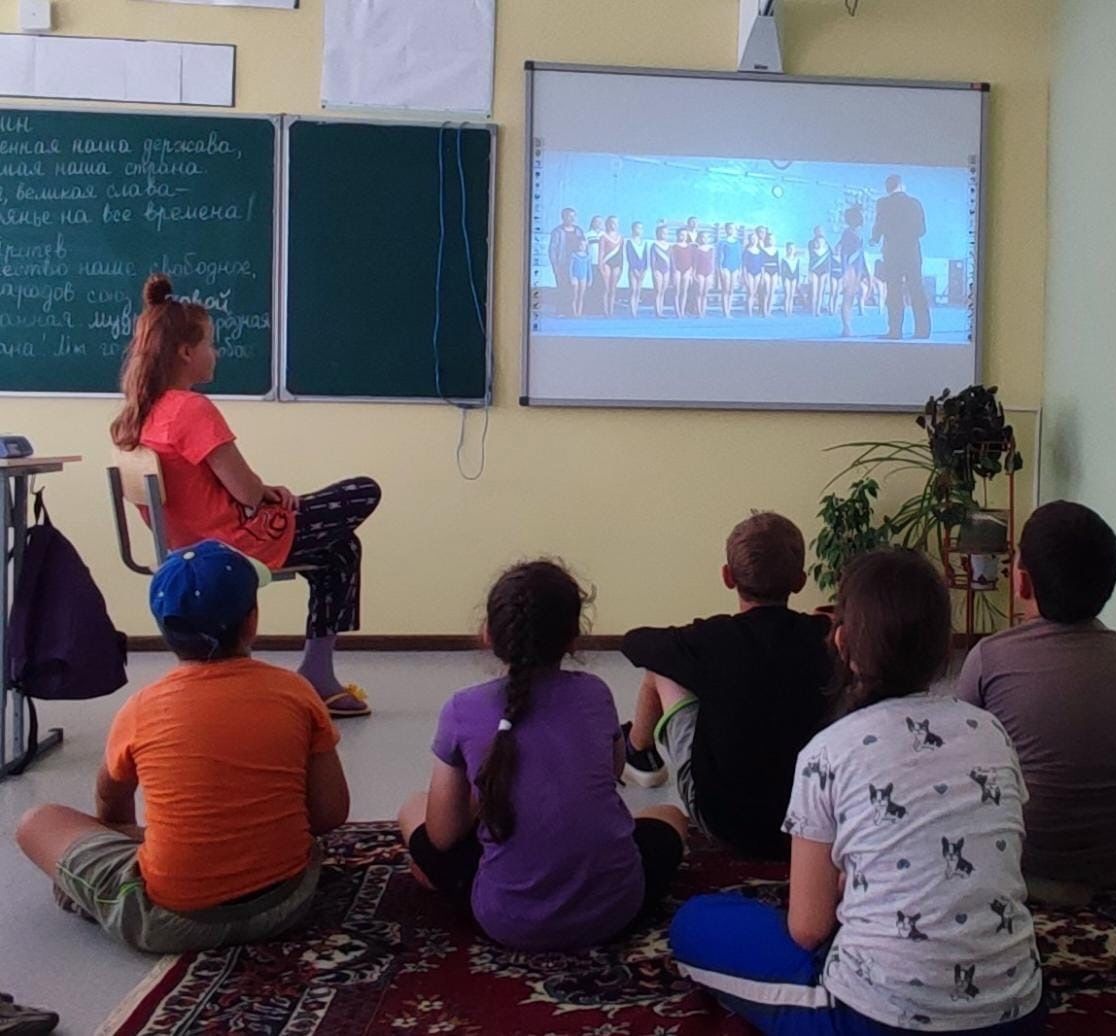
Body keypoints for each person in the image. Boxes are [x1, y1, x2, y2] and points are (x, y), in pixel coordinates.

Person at [670, 549, 1046, 1035]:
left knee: (696, 921)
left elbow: (808, 929)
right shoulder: (991, 730)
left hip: (870, 1020)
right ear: (945, 647)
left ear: (842, 641)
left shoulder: (828, 751)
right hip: (1017, 1016)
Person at [16, 541, 349, 954]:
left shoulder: (141, 708)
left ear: (163, 630)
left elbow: (110, 796)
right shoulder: (296, 691)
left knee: (37, 820)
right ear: (252, 621)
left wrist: (131, 839)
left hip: (175, 923)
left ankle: (98, 892)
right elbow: (332, 813)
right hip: (289, 902)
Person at [110, 275, 381, 718]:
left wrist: (267, 495)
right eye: (211, 344)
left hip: (191, 543)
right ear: (186, 353)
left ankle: (318, 672)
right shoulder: (192, 409)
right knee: (364, 490)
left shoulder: (146, 412)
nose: (215, 352)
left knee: (341, 549)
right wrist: (269, 496)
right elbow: (247, 493)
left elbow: (224, 488)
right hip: (236, 540)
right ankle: (317, 672)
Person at [397, 560, 686, 951]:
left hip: (507, 920)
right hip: (616, 910)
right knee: (669, 815)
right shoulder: (595, 693)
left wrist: (486, 797)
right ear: (573, 638)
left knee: (415, 807)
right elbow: (613, 771)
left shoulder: (461, 709)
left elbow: (443, 835)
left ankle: (442, 878)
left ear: (488, 634)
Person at [954, 501, 1116, 907]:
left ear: (1023, 582)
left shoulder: (990, 656)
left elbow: (959, 747)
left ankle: (1037, 884)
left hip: (1021, 853)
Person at [619, 512, 832, 861]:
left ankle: (637, 750)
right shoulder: (822, 637)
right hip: (809, 818)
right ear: (800, 581)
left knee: (662, 667)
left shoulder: (709, 639)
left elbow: (635, 643)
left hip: (721, 820)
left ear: (727, 577)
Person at [872, 175, 931, 340]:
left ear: (887, 188)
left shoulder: (883, 204)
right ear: (902, 185)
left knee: (894, 292)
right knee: (917, 290)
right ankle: (922, 331)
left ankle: (895, 331)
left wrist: (875, 238)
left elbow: (878, 227)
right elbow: (922, 230)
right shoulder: (914, 203)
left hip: (892, 254)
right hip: (911, 253)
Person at [839, 205, 872, 337]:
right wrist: (846, 270)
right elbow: (844, 253)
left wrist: (866, 272)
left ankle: (847, 325)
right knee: (848, 297)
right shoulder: (848, 233)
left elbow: (861, 253)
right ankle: (846, 326)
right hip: (851, 268)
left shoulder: (857, 233)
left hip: (857, 267)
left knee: (851, 298)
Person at [547, 207, 585, 317]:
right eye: (569, 216)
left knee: (574, 289)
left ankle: (572, 311)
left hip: (576, 264)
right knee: (562, 287)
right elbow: (552, 249)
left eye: (574, 216)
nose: (572, 218)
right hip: (562, 264)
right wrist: (555, 265)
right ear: (563, 217)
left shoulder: (578, 231)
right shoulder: (557, 231)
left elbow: (584, 245)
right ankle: (561, 311)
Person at [598, 215, 624, 317]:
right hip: (606, 262)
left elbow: (621, 254)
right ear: (607, 224)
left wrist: (621, 267)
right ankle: (605, 310)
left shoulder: (621, 238)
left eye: (616, 223)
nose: (614, 225)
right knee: (606, 288)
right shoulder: (603, 236)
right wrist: (600, 265)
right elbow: (601, 252)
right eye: (612, 223)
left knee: (613, 288)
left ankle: (611, 310)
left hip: (617, 263)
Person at [716, 222, 742, 318]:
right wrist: (720, 269)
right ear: (726, 230)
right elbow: (719, 257)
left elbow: (739, 257)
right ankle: (725, 312)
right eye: (729, 228)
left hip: (735, 267)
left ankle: (729, 310)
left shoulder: (738, 243)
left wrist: (740, 269)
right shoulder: (722, 242)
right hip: (725, 267)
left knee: (731, 290)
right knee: (725, 290)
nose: (731, 230)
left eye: (733, 228)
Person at [626, 222, 650, 318]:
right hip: (633, 269)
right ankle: (632, 310)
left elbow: (645, 257)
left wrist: (645, 269)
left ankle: (636, 308)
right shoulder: (629, 242)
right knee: (633, 289)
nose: (639, 230)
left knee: (638, 290)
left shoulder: (644, 243)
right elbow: (630, 257)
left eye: (641, 228)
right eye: (637, 228)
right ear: (633, 229)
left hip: (642, 269)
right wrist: (634, 269)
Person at [808, 226, 832, 316]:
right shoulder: (811, 243)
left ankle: (818, 310)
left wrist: (828, 272)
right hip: (814, 269)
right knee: (814, 291)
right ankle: (813, 310)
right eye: (818, 231)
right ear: (815, 232)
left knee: (821, 291)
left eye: (822, 231)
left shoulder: (827, 245)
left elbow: (829, 259)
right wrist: (809, 272)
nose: (820, 232)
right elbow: (811, 258)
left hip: (824, 270)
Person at [650, 223, 672, 319]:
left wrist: (670, 271)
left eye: (666, 233)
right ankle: (657, 311)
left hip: (666, 270)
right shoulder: (654, 245)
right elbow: (653, 260)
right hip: (657, 269)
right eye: (662, 233)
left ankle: (661, 310)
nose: (664, 235)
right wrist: (654, 271)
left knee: (663, 290)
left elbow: (670, 260)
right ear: (658, 234)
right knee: (658, 290)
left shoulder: (669, 246)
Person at [673, 228, 696, 319]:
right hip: (677, 270)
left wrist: (691, 271)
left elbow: (692, 260)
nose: (683, 237)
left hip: (687, 270)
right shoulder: (674, 247)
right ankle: (677, 311)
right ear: (677, 235)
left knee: (684, 291)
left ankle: (682, 311)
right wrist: (674, 271)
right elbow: (672, 260)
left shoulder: (689, 247)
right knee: (677, 291)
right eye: (681, 235)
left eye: (685, 235)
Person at [742, 232, 765, 318]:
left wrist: (762, 276)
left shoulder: (760, 252)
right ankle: (749, 312)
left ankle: (752, 309)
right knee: (750, 292)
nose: (754, 240)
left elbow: (762, 265)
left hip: (758, 273)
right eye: (752, 238)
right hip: (749, 273)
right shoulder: (747, 251)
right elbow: (744, 265)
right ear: (749, 240)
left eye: (755, 238)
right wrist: (744, 276)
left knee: (754, 292)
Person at [694, 230, 716, 318]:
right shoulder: (697, 249)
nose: (705, 239)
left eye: (707, 237)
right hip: (699, 272)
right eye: (703, 237)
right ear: (699, 238)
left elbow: (712, 262)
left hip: (708, 272)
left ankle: (703, 311)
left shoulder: (711, 249)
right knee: (699, 292)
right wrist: (694, 273)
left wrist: (713, 273)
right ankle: (699, 312)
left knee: (705, 293)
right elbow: (695, 262)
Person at [570, 237, 592, 318]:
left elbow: (589, 269)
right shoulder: (574, 255)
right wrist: (571, 277)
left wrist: (590, 280)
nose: (582, 247)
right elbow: (570, 268)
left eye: (584, 245)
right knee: (574, 295)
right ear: (578, 245)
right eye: (580, 245)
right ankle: (574, 312)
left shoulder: (588, 256)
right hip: (575, 276)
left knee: (581, 296)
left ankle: (579, 312)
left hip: (584, 277)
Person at [760, 232, 781, 318]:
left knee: (772, 292)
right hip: (766, 270)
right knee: (767, 291)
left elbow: (778, 263)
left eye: (772, 239)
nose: (771, 241)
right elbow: (762, 263)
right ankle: (764, 311)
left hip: (775, 271)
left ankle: (769, 310)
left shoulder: (776, 250)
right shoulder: (763, 250)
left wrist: (779, 276)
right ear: (767, 240)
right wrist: (762, 274)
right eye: (769, 239)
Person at [780, 242, 801, 316]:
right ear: (787, 249)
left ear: (795, 250)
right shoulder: (784, 259)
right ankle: (786, 311)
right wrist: (783, 280)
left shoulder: (797, 259)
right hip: (787, 278)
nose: (791, 250)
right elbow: (783, 271)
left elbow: (797, 271)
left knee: (792, 295)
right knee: (787, 294)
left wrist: (798, 281)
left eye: (793, 248)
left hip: (794, 277)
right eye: (789, 248)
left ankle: (790, 311)